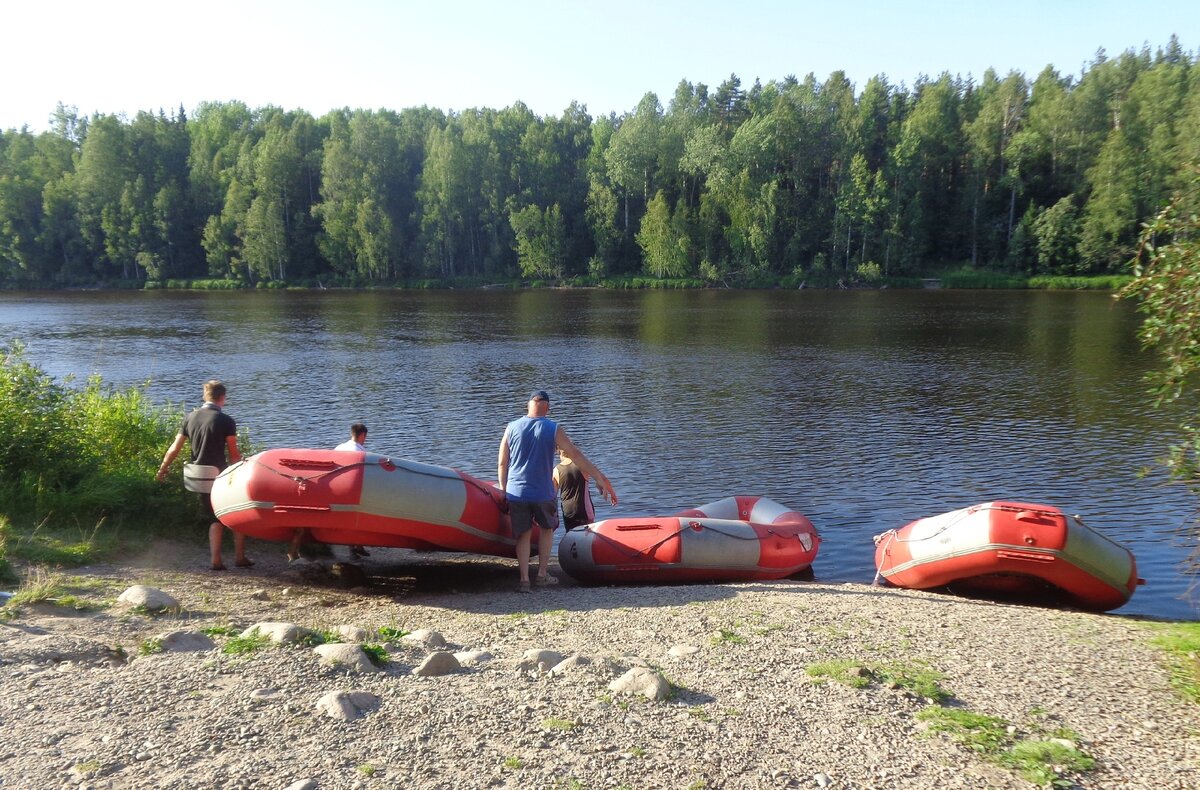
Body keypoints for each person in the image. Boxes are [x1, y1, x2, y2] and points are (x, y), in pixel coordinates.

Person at [498, 390, 616, 593]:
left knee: (523, 536)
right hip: (543, 492)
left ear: (528, 405)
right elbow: (576, 455)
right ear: (548, 408)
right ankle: (542, 575)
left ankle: (524, 579)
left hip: (516, 492)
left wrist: (503, 489)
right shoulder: (553, 428)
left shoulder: (511, 428)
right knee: (546, 531)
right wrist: (599, 477)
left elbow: (502, 463)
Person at [157, 379, 252, 571]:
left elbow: (174, 449)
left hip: (196, 477)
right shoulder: (226, 421)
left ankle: (222, 559)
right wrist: (244, 470)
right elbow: (234, 454)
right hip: (219, 477)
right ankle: (235, 558)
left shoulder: (189, 417)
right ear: (223, 398)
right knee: (233, 513)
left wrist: (162, 469)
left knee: (213, 516)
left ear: (204, 396)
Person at [332, 423, 370, 559]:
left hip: (336, 488)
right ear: (362, 435)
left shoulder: (339, 447)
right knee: (355, 519)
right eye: (365, 436)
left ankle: (358, 546)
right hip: (352, 490)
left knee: (348, 519)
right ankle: (352, 551)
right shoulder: (360, 452)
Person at [553, 448, 596, 530]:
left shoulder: (556, 470)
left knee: (571, 535)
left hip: (568, 512)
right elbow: (599, 479)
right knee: (588, 534)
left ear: (560, 454)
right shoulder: (583, 465)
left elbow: (552, 496)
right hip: (585, 510)